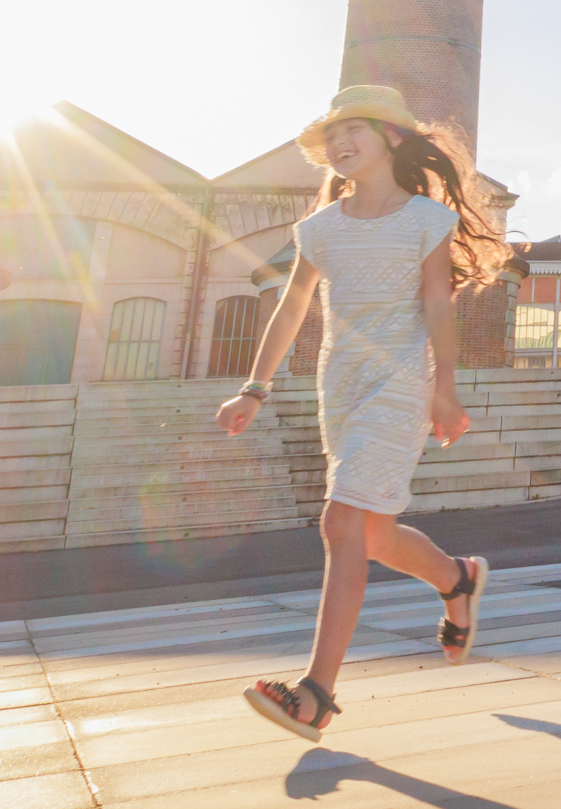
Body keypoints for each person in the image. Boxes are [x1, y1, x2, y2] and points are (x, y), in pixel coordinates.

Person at [213, 84, 518, 739]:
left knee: (342, 521)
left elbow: (437, 303)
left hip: (402, 381)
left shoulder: (425, 219)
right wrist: (254, 388)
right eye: (333, 135)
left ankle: (316, 693)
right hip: (341, 386)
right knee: (372, 536)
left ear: (393, 138)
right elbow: (292, 307)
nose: (340, 142)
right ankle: (457, 579)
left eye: (355, 129)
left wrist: (446, 388)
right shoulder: (321, 227)